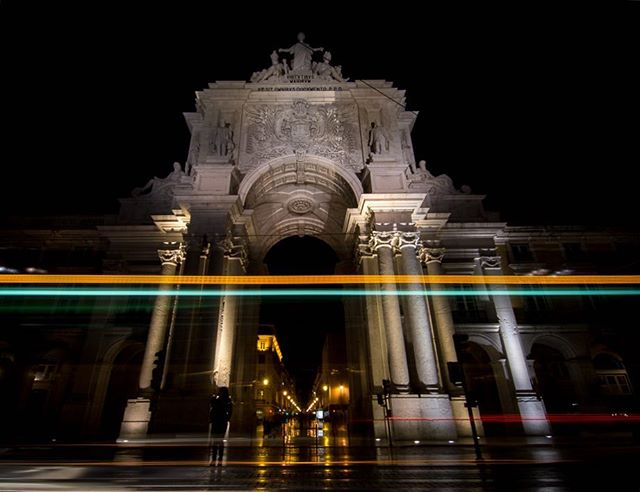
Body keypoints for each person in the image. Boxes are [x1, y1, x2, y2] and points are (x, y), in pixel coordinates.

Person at [209, 386, 233, 465]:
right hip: (222, 421)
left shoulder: (218, 400)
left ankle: (214, 459)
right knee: (220, 440)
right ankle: (219, 459)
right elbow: (230, 411)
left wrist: (215, 395)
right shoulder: (227, 401)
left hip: (217, 421)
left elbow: (212, 405)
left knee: (216, 441)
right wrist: (227, 418)